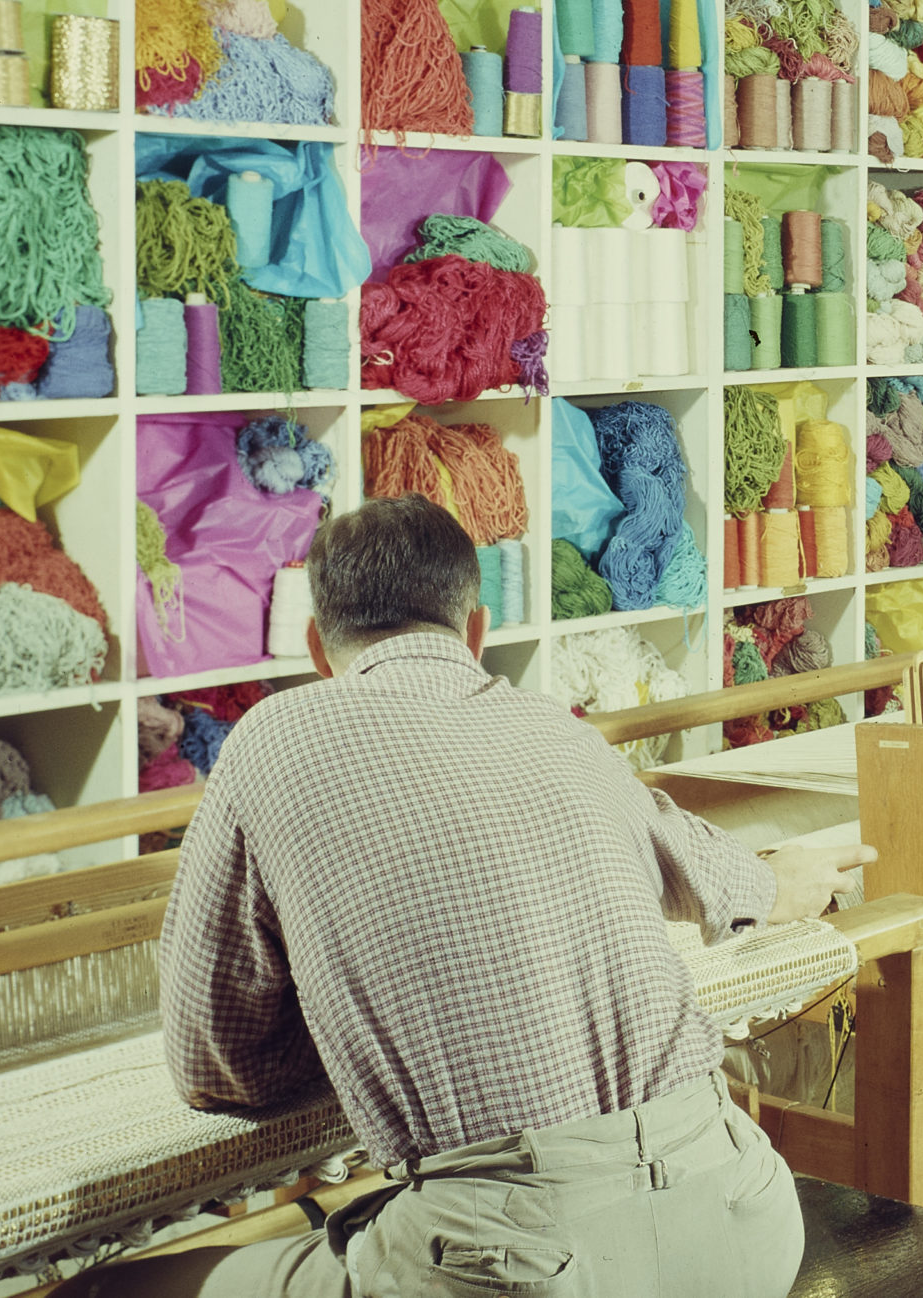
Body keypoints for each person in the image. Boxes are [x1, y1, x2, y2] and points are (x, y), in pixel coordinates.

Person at [66, 494, 874, 1298]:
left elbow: (214, 1066)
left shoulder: (272, 740)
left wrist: (370, 1026)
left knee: (106, 1293)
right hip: (744, 1216)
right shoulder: (560, 730)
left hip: (521, 1269)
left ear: (318, 647)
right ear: (477, 631)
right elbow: (714, 874)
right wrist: (781, 880)